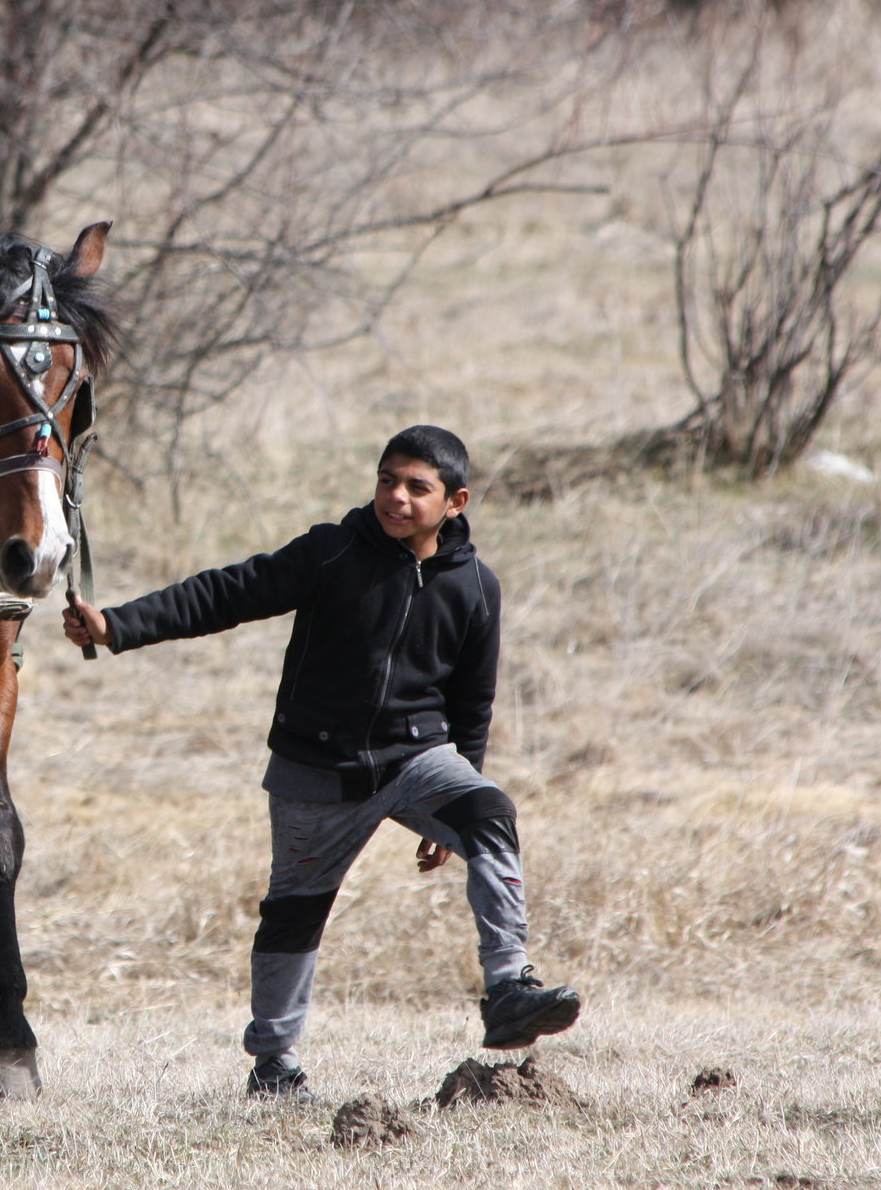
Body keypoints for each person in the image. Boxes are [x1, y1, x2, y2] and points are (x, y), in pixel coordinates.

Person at [60, 425, 580, 1098]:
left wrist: (453, 798)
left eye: (416, 488)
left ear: (456, 501)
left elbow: (472, 702)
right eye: (386, 480)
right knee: (295, 914)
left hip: (417, 759)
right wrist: (118, 625)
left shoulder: (477, 587)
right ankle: (274, 1063)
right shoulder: (332, 552)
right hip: (316, 770)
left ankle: (510, 987)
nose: (395, 497)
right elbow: (229, 592)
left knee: (490, 812)